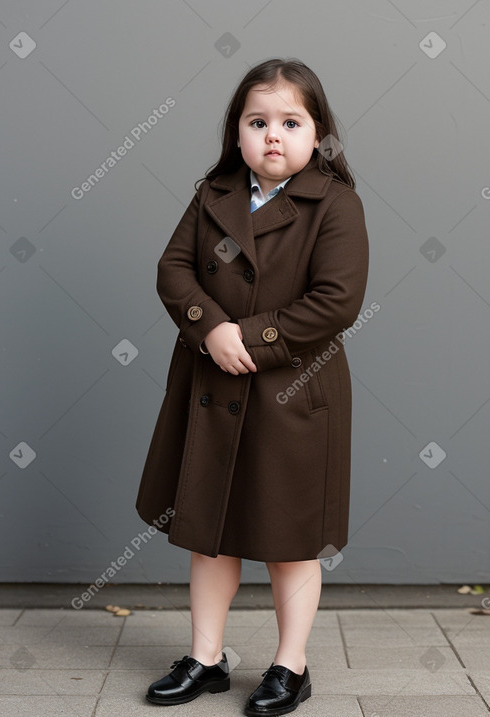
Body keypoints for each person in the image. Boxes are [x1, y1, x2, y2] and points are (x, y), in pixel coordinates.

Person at [137, 57, 369, 715]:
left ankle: (289, 665)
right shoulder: (212, 196)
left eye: (290, 121)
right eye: (257, 121)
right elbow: (173, 269)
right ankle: (205, 657)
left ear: (317, 133)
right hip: (214, 389)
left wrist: (253, 338)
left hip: (293, 396)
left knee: (291, 539)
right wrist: (209, 327)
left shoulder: (335, 204)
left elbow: (337, 300)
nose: (273, 135)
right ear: (237, 132)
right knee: (210, 531)